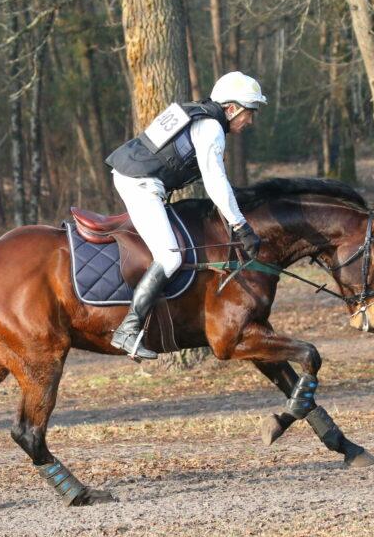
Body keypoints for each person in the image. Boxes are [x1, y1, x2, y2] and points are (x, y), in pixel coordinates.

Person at [104, 71, 266, 360]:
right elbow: (216, 184)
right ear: (231, 109)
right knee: (170, 257)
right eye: (249, 113)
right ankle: (128, 329)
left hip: (136, 175)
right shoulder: (211, 128)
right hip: (140, 183)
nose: (250, 122)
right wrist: (240, 225)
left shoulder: (197, 114)